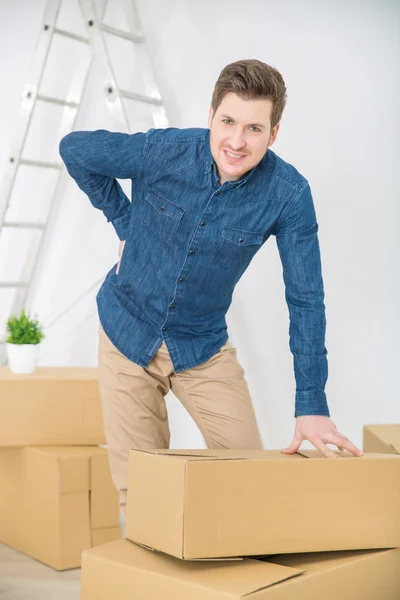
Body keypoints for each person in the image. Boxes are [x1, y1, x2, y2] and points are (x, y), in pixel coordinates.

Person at [59, 59, 362, 513]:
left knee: (247, 478)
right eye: (228, 122)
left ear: (274, 133)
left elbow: (306, 299)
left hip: (200, 347)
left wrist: (311, 402)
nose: (237, 142)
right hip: (126, 330)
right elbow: (75, 148)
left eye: (254, 129)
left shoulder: (289, 194)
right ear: (211, 116)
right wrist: (126, 224)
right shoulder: (163, 151)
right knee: (142, 494)